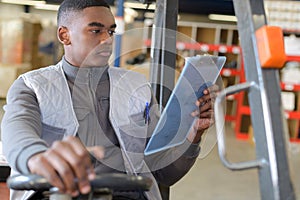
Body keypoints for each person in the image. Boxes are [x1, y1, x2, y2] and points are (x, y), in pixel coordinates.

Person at [1, 0, 218, 199]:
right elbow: (16, 132)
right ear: (64, 35)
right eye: (95, 30)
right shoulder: (32, 86)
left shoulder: (137, 87)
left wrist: (193, 134)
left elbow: (163, 173)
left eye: (111, 31)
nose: (107, 40)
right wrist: (37, 157)